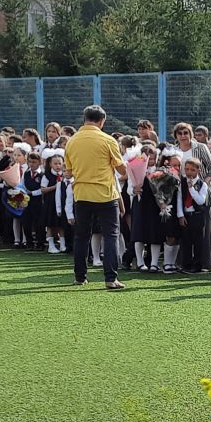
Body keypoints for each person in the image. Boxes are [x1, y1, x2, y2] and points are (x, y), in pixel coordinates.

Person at [65, 105, 129, 289]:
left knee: (82, 237)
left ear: (84, 119)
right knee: (111, 236)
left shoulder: (72, 141)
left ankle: (80, 276)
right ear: (102, 121)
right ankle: (111, 278)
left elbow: (68, 172)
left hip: (82, 194)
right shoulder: (108, 140)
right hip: (105, 194)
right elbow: (121, 170)